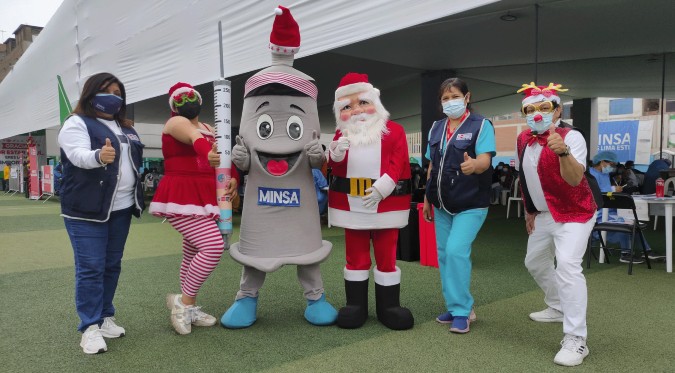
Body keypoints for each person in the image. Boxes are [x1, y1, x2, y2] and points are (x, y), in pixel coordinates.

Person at [221, 6, 337, 329]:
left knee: (307, 252)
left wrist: (318, 154)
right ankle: (246, 298)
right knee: (256, 250)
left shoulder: (308, 95)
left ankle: (316, 298)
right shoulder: (255, 89)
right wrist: (241, 162)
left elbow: (320, 162)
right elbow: (243, 157)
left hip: (299, 198)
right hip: (261, 198)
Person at [58, 72, 145, 354]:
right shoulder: (76, 123)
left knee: (111, 265)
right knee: (91, 268)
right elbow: (78, 155)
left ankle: (106, 316)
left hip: (120, 208)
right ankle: (90, 327)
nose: (113, 96)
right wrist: (98, 156)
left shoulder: (126, 127)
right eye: (107, 90)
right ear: (91, 93)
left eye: (118, 93)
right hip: (86, 210)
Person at [514, 82, 596, 367]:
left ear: (558, 109)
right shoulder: (523, 138)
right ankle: (558, 305)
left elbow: (575, 180)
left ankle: (576, 339)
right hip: (544, 214)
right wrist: (529, 209)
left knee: (567, 265)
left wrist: (563, 152)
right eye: (530, 109)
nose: (537, 114)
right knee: (534, 261)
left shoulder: (571, 136)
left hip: (575, 212)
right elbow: (525, 176)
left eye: (544, 108)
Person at [149, 82, 238, 335]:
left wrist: (232, 179)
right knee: (212, 245)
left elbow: (223, 159)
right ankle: (184, 302)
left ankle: (189, 305)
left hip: (207, 194)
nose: (187, 100)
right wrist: (207, 155)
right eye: (181, 97)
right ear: (173, 105)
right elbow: (195, 139)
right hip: (181, 193)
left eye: (191, 95)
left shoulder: (210, 127)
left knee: (191, 252)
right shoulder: (175, 123)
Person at [328, 72, 414, 330]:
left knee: (387, 257)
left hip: (386, 204)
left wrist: (384, 187)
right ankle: (356, 306)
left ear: (375, 102)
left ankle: (389, 307)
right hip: (351, 204)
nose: (356, 110)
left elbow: (398, 162)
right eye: (348, 106)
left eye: (362, 102)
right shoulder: (339, 134)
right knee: (355, 257)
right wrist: (335, 152)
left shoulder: (394, 131)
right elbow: (334, 165)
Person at [422, 78, 495, 334]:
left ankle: (464, 311)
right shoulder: (436, 128)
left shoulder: (481, 125)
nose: (449, 101)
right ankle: (455, 307)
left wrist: (474, 165)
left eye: (454, 96)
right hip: (441, 203)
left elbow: (485, 160)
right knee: (444, 256)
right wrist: (427, 198)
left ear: (467, 97)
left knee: (455, 251)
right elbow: (432, 166)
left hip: (471, 203)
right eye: (445, 98)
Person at [589, 151, 655, 263]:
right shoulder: (590, 175)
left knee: (634, 224)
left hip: (610, 211)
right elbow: (594, 193)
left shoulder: (604, 174)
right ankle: (626, 253)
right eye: (612, 164)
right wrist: (613, 189)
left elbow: (606, 192)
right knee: (625, 223)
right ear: (602, 162)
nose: (613, 167)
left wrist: (613, 189)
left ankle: (647, 251)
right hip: (598, 214)